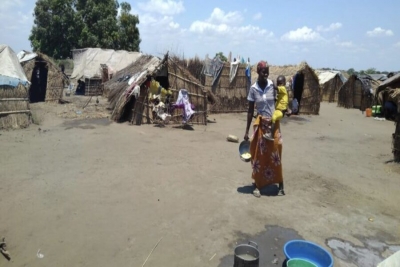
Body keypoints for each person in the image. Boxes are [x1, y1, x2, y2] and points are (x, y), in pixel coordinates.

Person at [244, 60, 285, 197]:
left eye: (267, 71)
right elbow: (250, 111)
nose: (266, 73)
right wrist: (246, 131)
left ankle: (280, 185)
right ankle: (256, 185)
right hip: (261, 125)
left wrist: (283, 111)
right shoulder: (253, 89)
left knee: (276, 153)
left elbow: (282, 100)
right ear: (258, 72)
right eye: (263, 71)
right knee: (258, 156)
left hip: (273, 125)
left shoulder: (272, 85)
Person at [263, 75, 288, 141]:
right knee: (270, 118)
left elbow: (275, 87)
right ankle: (270, 131)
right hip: (277, 110)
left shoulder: (283, 88)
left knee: (274, 117)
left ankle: (271, 135)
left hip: (281, 111)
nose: (280, 85)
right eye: (278, 83)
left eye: (281, 83)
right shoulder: (281, 93)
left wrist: (272, 82)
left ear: (284, 83)